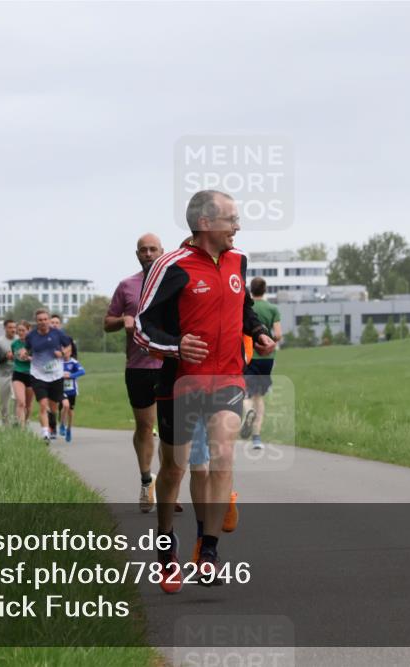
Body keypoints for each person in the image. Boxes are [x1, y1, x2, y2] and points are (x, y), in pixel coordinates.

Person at [135, 190, 275, 591]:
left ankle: (209, 550)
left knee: (224, 451)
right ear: (206, 223)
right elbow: (144, 328)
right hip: (181, 382)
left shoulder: (238, 261)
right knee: (175, 467)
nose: (238, 226)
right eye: (232, 219)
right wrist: (176, 346)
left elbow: (242, 306)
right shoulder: (171, 266)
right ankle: (165, 546)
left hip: (229, 376)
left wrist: (259, 332)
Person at [104, 233, 165, 512]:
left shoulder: (171, 281)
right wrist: (122, 320)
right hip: (138, 367)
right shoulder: (127, 286)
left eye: (153, 249)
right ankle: (145, 479)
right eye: (144, 250)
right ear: (137, 254)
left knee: (170, 429)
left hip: (170, 364)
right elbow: (107, 323)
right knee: (144, 426)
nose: (149, 254)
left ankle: (168, 484)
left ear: (162, 252)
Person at [240, 277, 283, 449]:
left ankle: (247, 411)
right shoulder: (272, 308)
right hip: (266, 358)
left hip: (248, 356)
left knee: (246, 394)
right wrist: (268, 339)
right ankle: (257, 437)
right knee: (259, 397)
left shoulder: (248, 307)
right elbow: (278, 334)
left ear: (251, 289)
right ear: (264, 290)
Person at [25, 310, 66, 443]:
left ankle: (52, 420)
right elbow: (26, 349)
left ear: (48, 320)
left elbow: (69, 347)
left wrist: (63, 353)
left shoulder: (58, 333)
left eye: (45, 319)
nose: (43, 322)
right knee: (43, 405)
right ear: (36, 322)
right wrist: (23, 353)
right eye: (40, 320)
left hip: (56, 375)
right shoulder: (31, 336)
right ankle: (45, 433)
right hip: (38, 374)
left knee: (53, 407)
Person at [48, 314, 74, 435]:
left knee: (65, 404)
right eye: (52, 322)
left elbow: (73, 356)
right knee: (51, 404)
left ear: (60, 325)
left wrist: (71, 371)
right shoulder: (44, 339)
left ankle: (63, 424)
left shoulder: (67, 339)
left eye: (57, 322)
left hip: (65, 377)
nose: (54, 324)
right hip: (49, 375)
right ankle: (52, 427)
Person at [0, 320, 17, 425]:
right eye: (10, 327)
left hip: (17, 374)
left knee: (18, 399)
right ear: (5, 328)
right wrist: (5, 357)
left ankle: (17, 422)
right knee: (4, 403)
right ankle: (5, 424)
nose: (13, 330)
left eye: (14, 327)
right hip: (4, 375)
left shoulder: (20, 340)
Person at [11, 321, 34, 429]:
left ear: (29, 330)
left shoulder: (34, 343)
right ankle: (22, 428)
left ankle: (25, 420)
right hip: (18, 374)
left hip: (31, 375)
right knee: (21, 402)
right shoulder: (14, 344)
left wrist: (28, 358)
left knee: (28, 406)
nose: (20, 333)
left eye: (23, 330)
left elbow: (40, 360)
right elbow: (14, 357)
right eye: (19, 330)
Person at [60, 347, 85, 443]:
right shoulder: (58, 362)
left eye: (67, 352)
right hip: (61, 389)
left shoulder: (73, 362)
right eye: (63, 352)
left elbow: (82, 371)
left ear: (70, 353)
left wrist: (70, 375)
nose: (65, 353)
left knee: (70, 411)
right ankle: (62, 424)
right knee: (65, 405)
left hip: (72, 390)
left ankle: (69, 429)